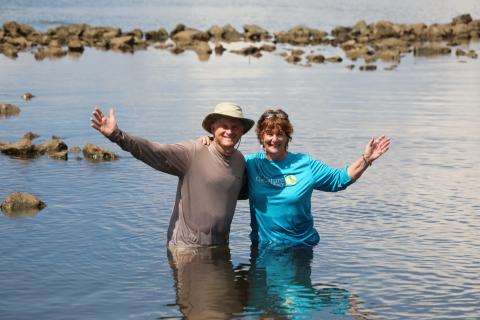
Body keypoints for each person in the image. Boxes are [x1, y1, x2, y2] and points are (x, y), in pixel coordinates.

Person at [201, 108, 390, 246]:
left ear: (287, 137)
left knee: (297, 301)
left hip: (300, 247)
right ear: (261, 137)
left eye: (280, 134)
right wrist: (206, 143)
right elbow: (223, 161)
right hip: (263, 248)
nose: (274, 139)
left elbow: (339, 180)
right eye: (269, 134)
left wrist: (366, 159)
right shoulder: (250, 163)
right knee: (259, 301)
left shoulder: (304, 164)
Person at [90, 102, 254, 247]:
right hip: (189, 249)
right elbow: (155, 151)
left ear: (241, 132)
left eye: (235, 127)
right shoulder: (193, 151)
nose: (229, 131)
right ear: (213, 128)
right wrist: (117, 136)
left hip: (220, 247)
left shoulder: (239, 160)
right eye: (224, 126)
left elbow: (235, 192)